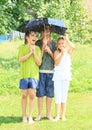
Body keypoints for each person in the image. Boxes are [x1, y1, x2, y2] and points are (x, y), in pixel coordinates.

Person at [18, 29, 42, 124]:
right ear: (27, 37)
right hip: (24, 75)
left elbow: (39, 63)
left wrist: (34, 52)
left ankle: (30, 116)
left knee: (32, 95)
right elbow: (20, 59)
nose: (35, 37)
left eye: (36, 36)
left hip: (34, 75)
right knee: (24, 95)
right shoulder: (22, 47)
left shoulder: (37, 49)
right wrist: (30, 53)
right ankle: (24, 116)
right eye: (32, 35)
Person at [35, 24, 56, 121]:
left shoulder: (54, 44)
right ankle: (39, 114)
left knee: (49, 93)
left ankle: (48, 114)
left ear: (50, 32)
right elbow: (38, 59)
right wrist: (43, 47)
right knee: (40, 93)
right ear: (41, 32)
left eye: (47, 31)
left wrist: (50, 51)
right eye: (44, 31)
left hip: (51, 71)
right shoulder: (38, 43)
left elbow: (56, 60)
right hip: (41, 71)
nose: (46, 33)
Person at [53, 34, 75, 121]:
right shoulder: (56, 53)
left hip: (66, 76)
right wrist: (61, 54)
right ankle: (57, 115)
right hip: (58, 76)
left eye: (63, 43)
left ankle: (63, 115)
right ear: (57, 45)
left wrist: (67, 39)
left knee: (64, 96)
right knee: (58, 95)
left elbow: (73, 46)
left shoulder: (68, 52)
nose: (61, 45)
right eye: (60, 43)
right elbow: (57, 63)